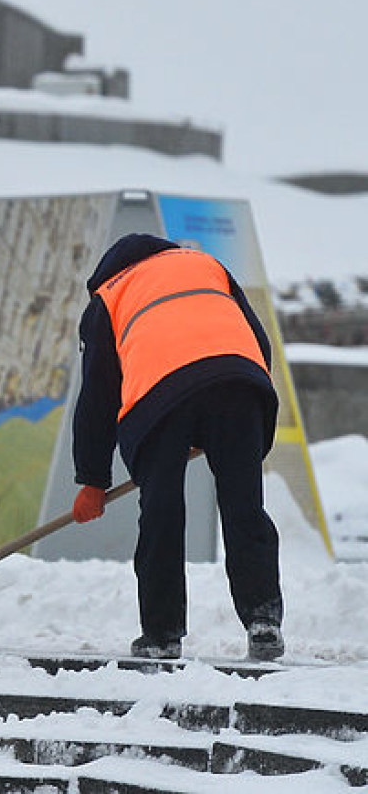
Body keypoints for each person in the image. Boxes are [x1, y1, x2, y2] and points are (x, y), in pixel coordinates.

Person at [69, 232, 285, 662]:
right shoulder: (205, 265)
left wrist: (92, 480)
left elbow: (97, 395)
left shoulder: (109, 296)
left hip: (158, 397)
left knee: (162, 510)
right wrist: (232, 419)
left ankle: (162, 634)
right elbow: (257, 342)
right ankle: (264, 620)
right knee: (244, 504)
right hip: (239, 382)